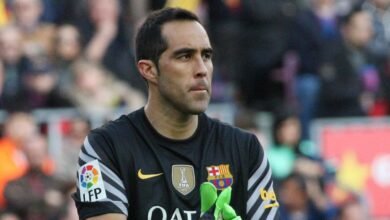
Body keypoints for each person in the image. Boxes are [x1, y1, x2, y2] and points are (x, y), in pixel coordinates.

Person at [73, 7, 279, 220]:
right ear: (148, 70)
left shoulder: (246, 150)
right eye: (185, 56)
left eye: (206, 56)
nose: (202, 69)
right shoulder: (105, 147)